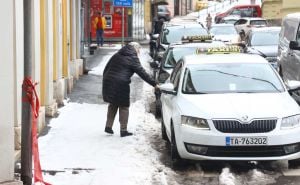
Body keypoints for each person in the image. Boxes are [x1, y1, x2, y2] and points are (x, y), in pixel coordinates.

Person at [102, 42, 159, 137]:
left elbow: (106, 67)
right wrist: (154, 84)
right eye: (139, 50)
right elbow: (142, 73)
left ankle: (108, 126)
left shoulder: (118, 54)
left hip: (109, 80)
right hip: (121, 83)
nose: (139, 52)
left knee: (113, 104)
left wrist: (106, 80)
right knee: (124, 106)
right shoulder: (132, 57)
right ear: (135, 48)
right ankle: (123, 130)